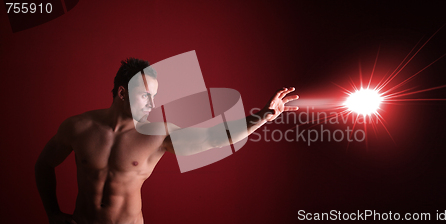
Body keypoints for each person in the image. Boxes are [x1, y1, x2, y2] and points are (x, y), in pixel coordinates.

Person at [35, 58, 299, 224]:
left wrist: (262, 117)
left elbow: (214, 137)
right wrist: (53, 213)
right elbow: (44, 164)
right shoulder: (78, 127)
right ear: (122, 92)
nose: (152, 104)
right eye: (145, 96)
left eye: (155, 96)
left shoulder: (158, 134)